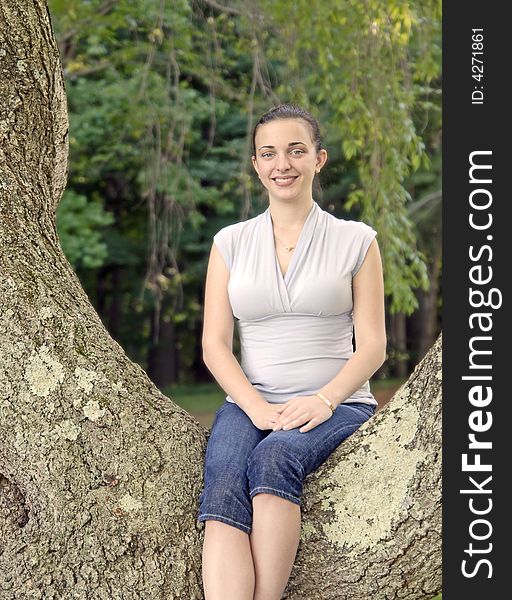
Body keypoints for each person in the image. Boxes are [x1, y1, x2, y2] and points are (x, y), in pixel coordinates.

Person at [198, 103, 386, 600]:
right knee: (221, 484)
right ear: (256, 165)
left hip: (339, 402)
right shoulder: (230, 243)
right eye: (269, 153)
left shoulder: (356, 240)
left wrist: (322, 400)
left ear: (318, 159)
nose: (283, 163)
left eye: (295, 150)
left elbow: (373, 346)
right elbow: (215, 345)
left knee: (274, 458)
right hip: (251, 400)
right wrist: (256, 407)